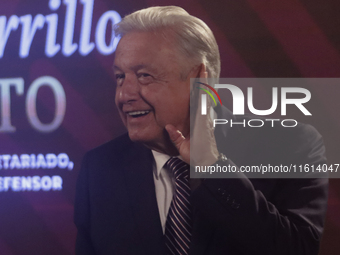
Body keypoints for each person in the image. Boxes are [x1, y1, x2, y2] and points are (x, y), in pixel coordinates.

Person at [74, 6, 328, 255]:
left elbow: (297, 249)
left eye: (144, 76)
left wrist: (212, 167)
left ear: (201, 83)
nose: (124, 94)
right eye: (120, 77)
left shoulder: (291, 147)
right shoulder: (99, 168)